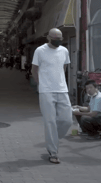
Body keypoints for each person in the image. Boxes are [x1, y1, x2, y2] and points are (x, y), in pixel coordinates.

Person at [31, 28, 71, 164]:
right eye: (55, 38)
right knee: (50, 122)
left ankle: (52, 138)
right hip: (46, 90)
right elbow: (34, 69)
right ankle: (53, 152)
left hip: (62, 89)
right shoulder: (40, 51)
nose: (58, 40)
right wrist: (40, 84)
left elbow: (63, 68)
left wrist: (60, 82)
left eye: (60, 38)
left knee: (67, 120)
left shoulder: (64, 51)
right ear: (48, 37)